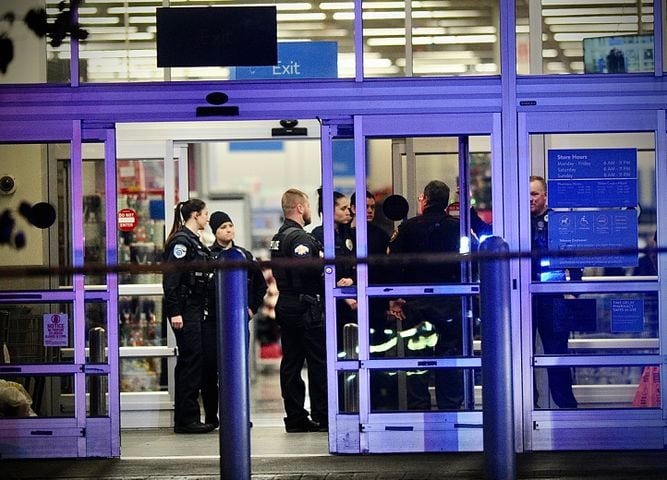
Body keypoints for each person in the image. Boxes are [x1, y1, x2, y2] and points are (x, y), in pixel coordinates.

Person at [387, 180, 464, 410]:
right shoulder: (457, 227)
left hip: (416, 301)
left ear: (426, 200)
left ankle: (419, 407)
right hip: (450, 300)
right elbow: (470, 261)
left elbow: (392, 263)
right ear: (446, 202)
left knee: (417, 359)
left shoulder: (408, 228)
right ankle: (450, 407)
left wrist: (395, 297)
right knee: (449, 357)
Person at [270, 188, 328, 432]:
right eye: (309, 206)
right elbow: (306, 269)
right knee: (317, 362)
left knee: (291, 363)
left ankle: (295, 416)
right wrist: (324, 266)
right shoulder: (299, 238)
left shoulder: (279, 237)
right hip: (305, 306)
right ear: (300, 208)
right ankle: (323, 415)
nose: (311, 211)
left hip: (287, 303)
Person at [205, 211, 268, 428]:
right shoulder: (208, 256)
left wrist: (251, 308)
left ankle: (239, 416)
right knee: (211, 370)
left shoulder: (244, 256)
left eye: (230, 225)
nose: (228, 230)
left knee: (237, 369)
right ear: (215, 231)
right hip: (213, 322)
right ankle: (212, 417)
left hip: (238, 322)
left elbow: (261, 285)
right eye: (223, 227)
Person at [162, 198, 215, 434]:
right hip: (184, 310)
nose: (207, 218)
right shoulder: (181, 242)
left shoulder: (194, 241)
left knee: (193, 360)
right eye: (205, 214)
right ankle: (186, 419)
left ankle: (189, 416)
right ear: (195, 215)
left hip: (193, 308)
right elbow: (171, 280)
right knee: (190, 362)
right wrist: (175, 311)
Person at [530, 175, 579, 409]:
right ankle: (530, 408)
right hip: (524, 298)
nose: (530, 199)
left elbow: (574, 256)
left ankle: (566, 408)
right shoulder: (517, 220)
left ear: (545, 196)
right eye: (527, 194)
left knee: (557, 354)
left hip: (553, 297)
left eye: (534, 194)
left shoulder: (559, 222)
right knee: (523, 356)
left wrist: (573, 291)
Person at [311, 189, 356, 353]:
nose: (348, 212)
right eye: (343, 209)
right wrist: (342, 293)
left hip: (351, 300)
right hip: (329, 302)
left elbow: (357, 263)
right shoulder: (318, 235)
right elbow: (321, 271)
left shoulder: (349, 234)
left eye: (348, 208)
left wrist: (352, 280)